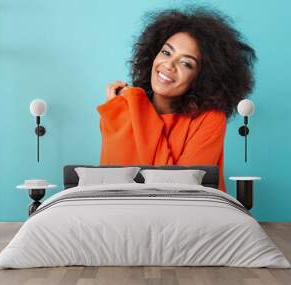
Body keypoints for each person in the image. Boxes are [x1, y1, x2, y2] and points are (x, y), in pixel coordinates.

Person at [96, 7, 256, 192]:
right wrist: (121, 110)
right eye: (166, 52)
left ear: (202, 76)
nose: (169, 65)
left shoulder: (210, 118)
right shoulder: (125, 106)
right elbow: (110, 184)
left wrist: (135, 105)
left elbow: (179, 188)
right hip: (124, 215)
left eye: (186, 63)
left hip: (190, 216)